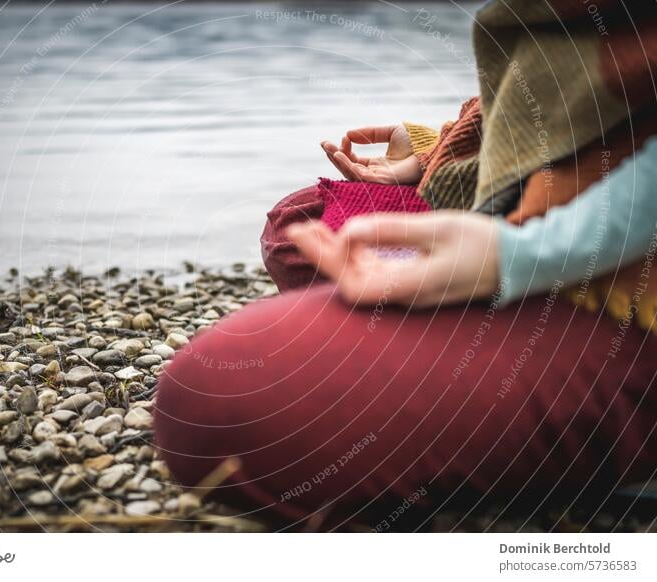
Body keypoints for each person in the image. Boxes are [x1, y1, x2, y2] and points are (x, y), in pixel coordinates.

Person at [153, 0, 657, 529]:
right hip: (560, 214)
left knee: (215, 404)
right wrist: (436, 151)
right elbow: (566, 106)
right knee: (299, 224)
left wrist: (516, 256)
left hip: (624, 290)